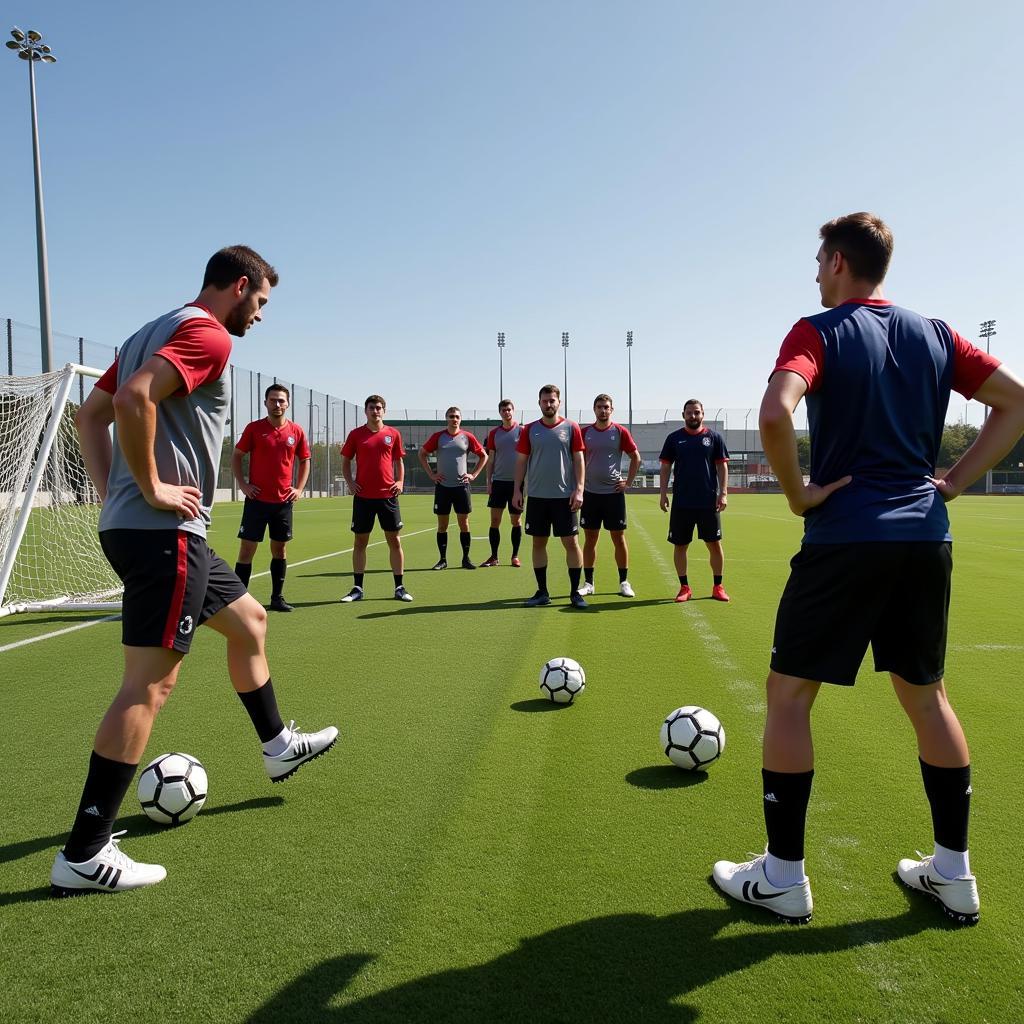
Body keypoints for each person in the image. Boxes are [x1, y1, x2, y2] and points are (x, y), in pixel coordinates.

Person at [712, 212, 1024, 926]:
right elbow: (1018, 402)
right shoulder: (938, 334)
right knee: (926, 696)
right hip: (923, 537)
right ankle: (953, 873)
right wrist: (951, 482)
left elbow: (773, 413)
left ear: (841, 263)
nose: (816, 273)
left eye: (820, 261)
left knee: (789, 695)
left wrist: (799, 494)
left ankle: (784, 878)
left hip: (845, 537)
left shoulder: (815, 331)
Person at [52, 246, 338, 897]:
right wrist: (149, 488)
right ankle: (85, 852)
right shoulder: (208, 333)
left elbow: (90, 414)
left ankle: (276, 747)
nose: (259, 315)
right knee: (147, 689)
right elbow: (132, 399)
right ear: (239, 286)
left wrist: (115, 495)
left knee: (249, 622)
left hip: (153, 532)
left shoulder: (146, 330)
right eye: (260, 302)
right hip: (163, 535)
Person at [232, 384, 311, 612]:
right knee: (247, 549)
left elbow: (304, 460)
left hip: (283, 503)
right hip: (256, 502)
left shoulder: (296, 431)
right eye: (273, 400)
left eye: (281, 401)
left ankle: (277, 598)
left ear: (287, 404)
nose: (277, 404)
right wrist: (243, 484)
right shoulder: (254, 429)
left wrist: (299, 488)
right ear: (265, 402)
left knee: (280, 550)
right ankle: (239, 602)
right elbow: (237, 456)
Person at [512, 384, 587, 609]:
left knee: (571, 543)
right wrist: (517, 489)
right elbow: (521, 461)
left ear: (559, 402)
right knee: (538, 543)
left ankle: (575, 593)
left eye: (552, 400)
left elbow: (579, 459)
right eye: (545, 401)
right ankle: (542, 592)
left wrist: (580, 489)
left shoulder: (572, 427)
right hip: (536, 497)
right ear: (539, 403)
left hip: (565, 497)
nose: (549, 404)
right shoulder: (529, 430)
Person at [339, 396, 413, 603]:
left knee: (394, 541)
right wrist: (350, 482)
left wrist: (399, 481)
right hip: (363, 497)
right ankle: (357, 589)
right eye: (371, 408)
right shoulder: (356, 435)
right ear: (366, 411)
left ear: (384, 411)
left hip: (388, 496)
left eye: (379, 408)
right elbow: (345, 461)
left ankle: (399, 587)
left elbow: (398, 460)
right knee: (360, 542)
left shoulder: (392, 434)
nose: (375, 411)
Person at [659, 400, 730, 602]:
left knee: (714, 544)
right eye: (689, 413)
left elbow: (722, 467)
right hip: (682, 502)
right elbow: (665, 468)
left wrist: (723, 493)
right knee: (680, 545)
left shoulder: (714, 438)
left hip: (709, 502)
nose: (693, 416)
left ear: (702, 414)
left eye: (696, 412)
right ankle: (684, 587)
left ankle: (718, 586)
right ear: (683, 415)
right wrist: (663, 493)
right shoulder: (674, 439)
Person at [579, 394, 641, 598]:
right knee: (590, 539)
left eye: (606, 407)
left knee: (618, 538)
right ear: (594, 409)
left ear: (612, 410)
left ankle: (624, 582)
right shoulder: (584, 432)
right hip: (590, 494)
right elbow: (575, 460)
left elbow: (636, 457)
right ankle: (589, 583)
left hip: (613, 494)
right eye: (599, 407)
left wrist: (629, 483)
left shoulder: (620, 431)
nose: (603, 410)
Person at [418, 407, 488, 570]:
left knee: (464, 523)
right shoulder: (438, 437)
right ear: (446, 418)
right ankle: (442, 560)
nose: (454, 419)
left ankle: (466, 559)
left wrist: (474, 475)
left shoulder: (467, 437)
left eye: (457, 416)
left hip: (461, 487)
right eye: (451, 416)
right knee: (442, 525)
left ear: (460, 419)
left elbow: (483, 455)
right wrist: (432, 474)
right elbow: (422, 453)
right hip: (443, 487)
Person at [480, 399, 524, 567]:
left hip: (516, 484)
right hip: (498, 483)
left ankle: (515, 556)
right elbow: (490, 460)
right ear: (500, 413)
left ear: (514, 411)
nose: (507, 412)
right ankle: (494, 557)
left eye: (509, 409)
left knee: (516, 521)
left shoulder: (522, 431)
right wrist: (489, 481)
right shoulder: (493, 434)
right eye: (503, 410)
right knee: (495, 521)